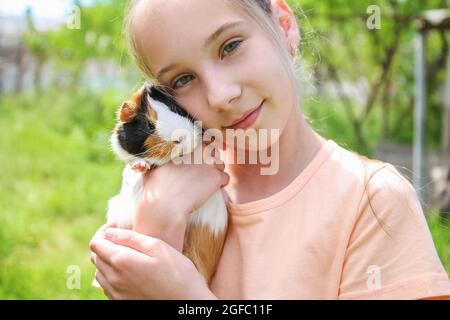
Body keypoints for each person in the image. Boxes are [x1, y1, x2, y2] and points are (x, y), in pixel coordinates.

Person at [89, 0, 450, 299]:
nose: (221, 94)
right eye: (183, 79)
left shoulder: (371, 203)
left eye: (230, 46)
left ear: (284, 25)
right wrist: (160, 219)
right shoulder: (152, 187)